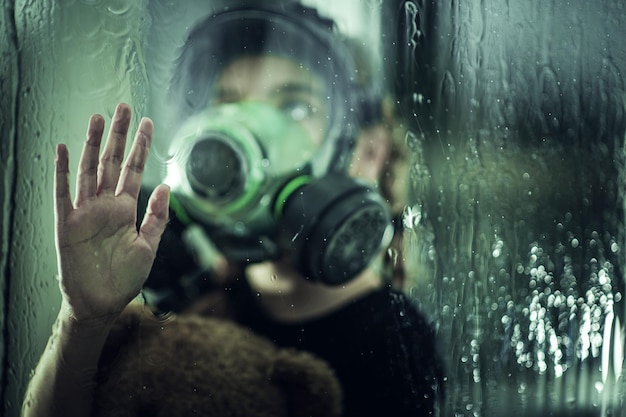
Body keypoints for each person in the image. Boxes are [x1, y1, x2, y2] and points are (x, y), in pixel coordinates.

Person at [22, 2, 443, 417]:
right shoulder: (192, 299)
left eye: (296, 107)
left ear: (366, 152)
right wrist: (83, 322)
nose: (247, 130)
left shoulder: (393, 339)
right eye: (228, 104)